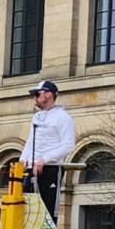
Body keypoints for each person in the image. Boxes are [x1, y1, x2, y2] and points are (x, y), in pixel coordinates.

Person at [20, 80, 76, 220]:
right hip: (31, 169)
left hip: (51, 169)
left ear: (48, 95)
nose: (35, 98)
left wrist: (44, 160)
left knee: (47, 211)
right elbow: (30, 140)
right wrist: (23, 159)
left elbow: (68, 145)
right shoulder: (36, 117)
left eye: (37, 94)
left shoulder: (63, 117)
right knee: (27, 209)